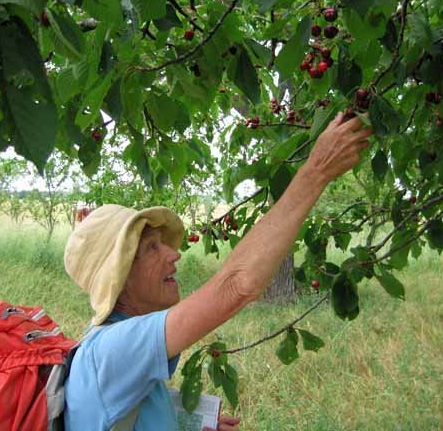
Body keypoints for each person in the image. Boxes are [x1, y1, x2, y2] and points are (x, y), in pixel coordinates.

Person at [62, 112, 373, 431]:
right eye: (152, 248)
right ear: (121, 277)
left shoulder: (114, 344)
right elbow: (238, 286)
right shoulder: (114, 350)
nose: (173, 254)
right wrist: (316, 171)